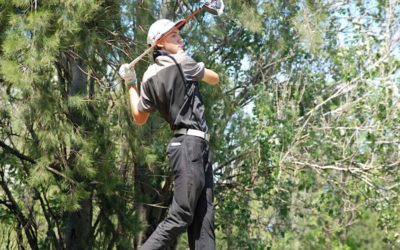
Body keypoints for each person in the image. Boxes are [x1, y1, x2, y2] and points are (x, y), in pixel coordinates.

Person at [119, 19, 219, 250]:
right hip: (189, 146)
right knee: (182, 214)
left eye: (178, 34)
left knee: (204, 219)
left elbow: (139, 116)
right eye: (174, 35)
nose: (180, 38)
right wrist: (201, 68)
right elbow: (214, 78)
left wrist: (131, 82)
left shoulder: (148, 77)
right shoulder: (182, 62)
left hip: (191, 146)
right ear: (160, 44)